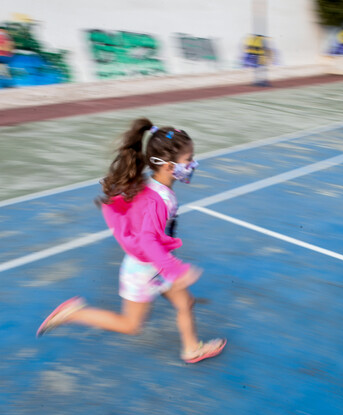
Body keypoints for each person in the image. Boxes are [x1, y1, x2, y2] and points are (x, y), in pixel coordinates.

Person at [37, 118, 226, 364]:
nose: (193, 164)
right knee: (131, 325)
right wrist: (175, 269)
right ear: (169, 166)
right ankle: (73, 314)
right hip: (144, 268)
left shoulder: (150, 184)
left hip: (154, 265)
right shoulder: (160, 200)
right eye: (188, 159)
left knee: (186, 302)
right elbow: (148, 240)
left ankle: (191, 348)